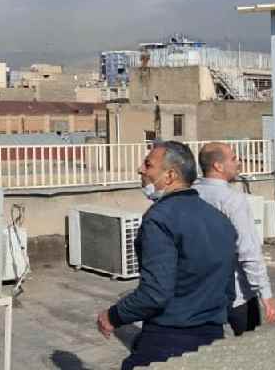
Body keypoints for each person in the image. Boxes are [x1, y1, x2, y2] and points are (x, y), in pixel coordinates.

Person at [96, 141, 238, 370]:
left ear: (170, 175)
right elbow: (228, 290)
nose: (140, 170)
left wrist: (112, 316)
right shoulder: (221, 221)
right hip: (212, 339)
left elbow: (155, 294)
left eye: (148, 164)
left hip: (168, 340)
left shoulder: (159, 219)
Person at [195, 142, 275, 335]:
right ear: (218, 166)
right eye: (233, 158)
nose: (239, 162)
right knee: (250, 349)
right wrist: (265, 293)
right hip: (236, 293)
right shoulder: (232, 199)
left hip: (200, 292)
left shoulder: (192, 193)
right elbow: (248, 251)